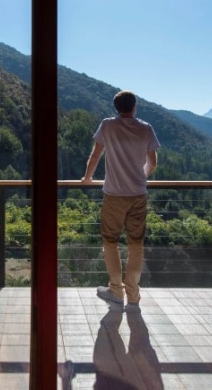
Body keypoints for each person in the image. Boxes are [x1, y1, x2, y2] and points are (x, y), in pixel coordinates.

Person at [81, 90, 160, 311]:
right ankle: (133, 295)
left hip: (114, 194)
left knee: (110, 242)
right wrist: (139, 177)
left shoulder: (107, 125)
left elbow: (96, 155)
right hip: (138, 195)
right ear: (135, 106)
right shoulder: (146, 129)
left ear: (117, 107)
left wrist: (87, 178)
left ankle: (116, 290)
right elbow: (152, 163)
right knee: (135, 244)